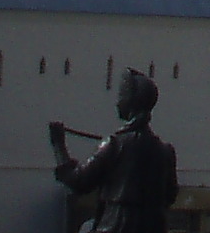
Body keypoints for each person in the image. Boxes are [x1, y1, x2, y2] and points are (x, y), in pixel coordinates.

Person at [50, 68, 179, 233]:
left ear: (131, 102)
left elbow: (79, 181)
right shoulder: (165, 151)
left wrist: (58, 145)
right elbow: (170, 196)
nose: (117, 103)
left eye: (121, 97)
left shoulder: (114, 145)